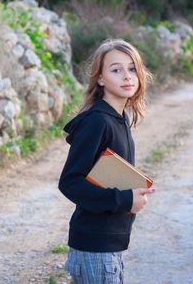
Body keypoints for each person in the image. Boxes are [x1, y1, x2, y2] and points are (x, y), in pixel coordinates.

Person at [58, 38, 155, 284]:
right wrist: (125, 199)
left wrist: (133, 191)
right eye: (116, 69)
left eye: (132, 68)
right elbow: (70, 182)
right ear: (100, 79)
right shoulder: (97, 121)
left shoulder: (118, 118)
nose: (127, 76)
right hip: (95, 247)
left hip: (107, 244)